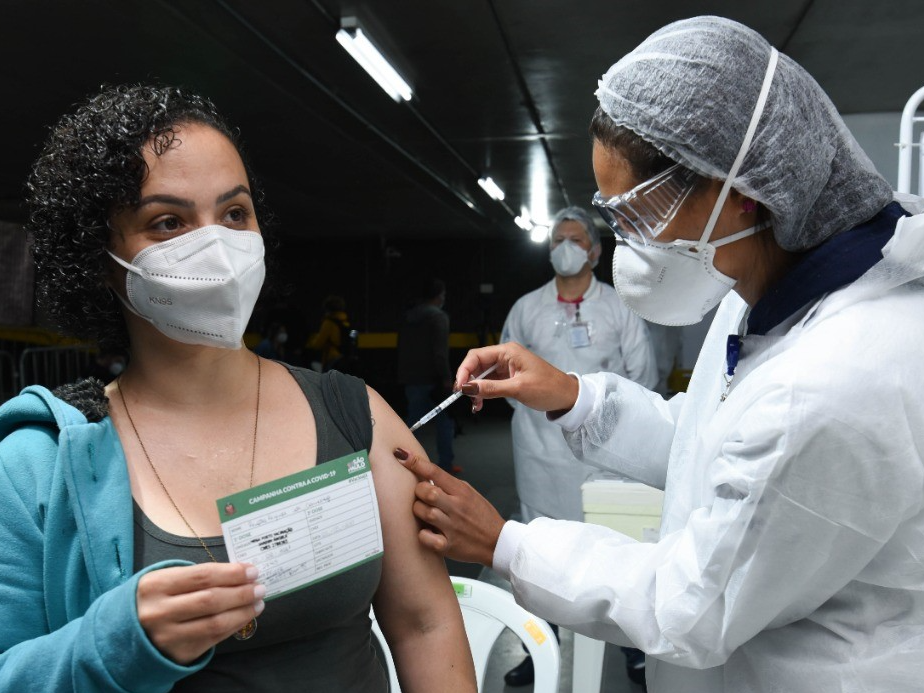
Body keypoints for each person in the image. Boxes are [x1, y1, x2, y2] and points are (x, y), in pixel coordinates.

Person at [393, 16, 924, 693]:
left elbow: (691, 604)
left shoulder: (830, 382)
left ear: (739, 198)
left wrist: (506, 543)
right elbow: (709, 442)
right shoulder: (766, 286)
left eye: (637, 215)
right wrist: (571, 393)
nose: (626, 245)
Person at [0, 84, 476, 692]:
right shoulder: (38, 464)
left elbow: (424, 624)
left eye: (234, 213)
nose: (217, 245)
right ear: (98, 258)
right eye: (167, 222)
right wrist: (116, 641)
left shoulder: (355, 416)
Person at [499, 206, 657, 687]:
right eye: (556, 239)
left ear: (593, 249)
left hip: (604, 459)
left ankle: (633, 647)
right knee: (538, 551)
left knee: (616, 549)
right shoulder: (526, 308)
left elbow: (643, 378)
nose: (562, 246)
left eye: (573, 238)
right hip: (540, 454)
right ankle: (537, 644)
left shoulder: (619, 305)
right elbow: (504, 376)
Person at [397, 277, 458, 474]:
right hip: (432, 379)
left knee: (411, 424)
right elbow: (440, 352)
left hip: (411, 377)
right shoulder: (438, 317)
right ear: (440, 296)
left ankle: (399, 462)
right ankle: (446, 465)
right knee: (445, 423)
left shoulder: (408, 316)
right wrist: (447, 378)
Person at [307, 295, 352, 372]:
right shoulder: (346, 321)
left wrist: (309, 343)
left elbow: (318, 344)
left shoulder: (329, 323)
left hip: (332, 358)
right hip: (345, 357)